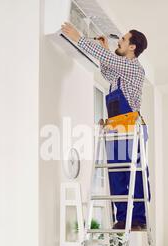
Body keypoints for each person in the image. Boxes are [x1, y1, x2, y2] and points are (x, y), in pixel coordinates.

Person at [61, 23, 149, 230]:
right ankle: (122, 217)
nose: (119, 40)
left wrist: (78, 37)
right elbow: (108, 70)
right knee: (116, 174)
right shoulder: (119, 77)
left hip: (131, 129)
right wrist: (105, 51)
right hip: (116, 130)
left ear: (132, 47)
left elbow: (111, 61)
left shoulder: (135, 68)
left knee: (132, 173)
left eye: (123, 39)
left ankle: (137, 219)